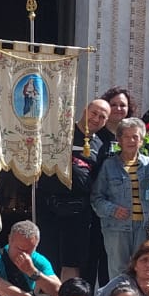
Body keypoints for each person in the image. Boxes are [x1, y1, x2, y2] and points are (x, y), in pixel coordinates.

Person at [43, 98, 109, 281]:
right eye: (94, 113)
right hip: (51, 208)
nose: (96, 119)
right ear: (85, 110)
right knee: (49, 259)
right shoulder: (62, 133)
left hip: (78, 212)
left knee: (72, 262)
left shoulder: (100, 145)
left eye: (102, 117)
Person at [90, 116, 149, 281]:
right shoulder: (109, 165)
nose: (131, 140)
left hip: (143, 227)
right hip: (116, 227)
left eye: (135, 137)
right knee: (119, 272)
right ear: (119, 140)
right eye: (126, 136)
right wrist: (112, 210)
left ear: (141, 140)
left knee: (142, 271)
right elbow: (96, 198)